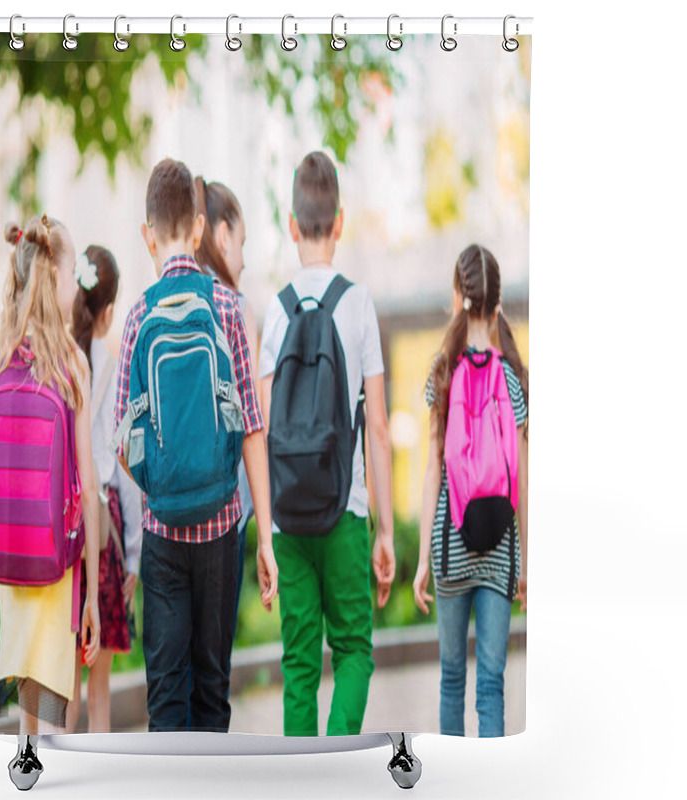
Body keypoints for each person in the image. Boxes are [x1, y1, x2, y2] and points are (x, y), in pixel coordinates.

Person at [114, 157, 277, 732]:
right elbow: (253, 424)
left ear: (147, 235)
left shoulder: (136, 319)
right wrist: (264, 540)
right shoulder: (230, 309)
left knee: (167, 699)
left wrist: (161, 482)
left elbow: (120, 444)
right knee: (212, 693)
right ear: (201, 229)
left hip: (162, 538)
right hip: (221, 530)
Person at [259, 151, 396, 737]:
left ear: (292, 227)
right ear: (339, 222)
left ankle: (299, 778)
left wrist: (263, 535)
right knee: (354, 652)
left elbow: (260, 433)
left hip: (288, 519)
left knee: (298, 665)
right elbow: (382, 430)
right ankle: (335, 761)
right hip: (346, 510)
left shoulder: (275, 311)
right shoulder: (358, 304)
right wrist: (385, 528)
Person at [0, 215, 101, 736]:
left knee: (29, 717)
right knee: (53, 718)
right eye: (73, 277)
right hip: (55, 569)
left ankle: (31, 771)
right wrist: (94, 592)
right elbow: (89, 491)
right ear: (55, 278)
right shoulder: (71, 362)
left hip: (7, 567)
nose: (77, 289)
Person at [412, 243, 529, 738]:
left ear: (457, 296)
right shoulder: (514, 380)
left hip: (451, 546)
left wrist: (422, 560)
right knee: (492, 686)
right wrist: (527, 563)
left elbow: (432, 473)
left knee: (451, 681)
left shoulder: (442, 374)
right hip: (500, 548)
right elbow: (524, 478)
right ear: (497, 303)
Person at [65, 245, 143, 733]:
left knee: (64, 682)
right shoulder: (114, 370)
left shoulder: (61, 362)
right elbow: (126, 464)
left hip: (68, 524)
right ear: (110, 311)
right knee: (99, 691)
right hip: (108, 527)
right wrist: (133, 554)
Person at [194, 177, 258, 636]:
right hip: (227, 510)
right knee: (215, 661)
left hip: (174, 509)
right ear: (219, 235)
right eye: (240, 241)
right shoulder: (235, 307)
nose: (243, 257)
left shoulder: (168, 299)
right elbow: (255, 423)